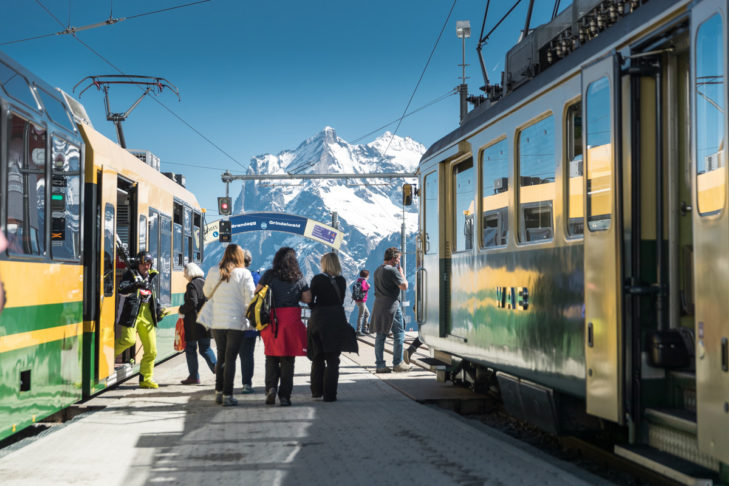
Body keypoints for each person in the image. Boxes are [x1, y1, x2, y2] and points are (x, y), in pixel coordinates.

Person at [257, 247, 311, 406]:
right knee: (288, 359)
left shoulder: (269, 275)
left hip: (272, 320)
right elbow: (307, 298)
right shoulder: (298, 276)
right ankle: (285, 396)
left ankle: (271, 388)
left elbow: (257, 293)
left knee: (271, 356)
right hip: (291, 320)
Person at [204, 244, 255, 406]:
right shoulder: (244, 273)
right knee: (230, 358)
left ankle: (218, 392)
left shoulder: (213, 271)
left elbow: (206, 292)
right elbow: (251, 298)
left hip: (217, 321)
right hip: (235, 322)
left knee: (221, 356)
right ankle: (228, 395)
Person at [308, 253, 358, 402]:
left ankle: (317, 392)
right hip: (336, 319)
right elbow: (340, 300)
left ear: (324, 264)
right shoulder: (341, 281)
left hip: (319, 320)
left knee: (318, 356)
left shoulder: (317, 279)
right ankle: (330, 395)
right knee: (333, 359)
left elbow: (311, 300)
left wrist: (316, 308)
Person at [115, 251, 164, 388]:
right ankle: (105, 357)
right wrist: (136, 285)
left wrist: (158, 309)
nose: (146, 267)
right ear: (138, 264)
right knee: (128, 340)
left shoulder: (152, 276)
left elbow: (154, 295)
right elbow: (121, 290)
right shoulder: (130, 274)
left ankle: (145, 379)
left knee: (152, 350)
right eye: (144, 264)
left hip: (147, 315)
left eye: (148, 264)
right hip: (131, 314)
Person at [370, 247, 410, 373]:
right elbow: (404, 286)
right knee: (399, 334)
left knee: (380, 335)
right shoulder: (392, 270)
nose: (399, 261)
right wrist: (402, 273)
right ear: (393, 259)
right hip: (391, 305)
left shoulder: (377, 270)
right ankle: (398, 363)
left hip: (378, 304)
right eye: (398, 259)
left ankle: (380, 365)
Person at [178, 262, 217, 385]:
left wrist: (181, 309)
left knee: (190, 349)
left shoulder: (192, 285)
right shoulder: (205, 282)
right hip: (206, 322)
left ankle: (194, 376)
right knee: (205, 348)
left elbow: (192, 303)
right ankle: (219, 370)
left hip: (194, 324)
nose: (184, 276)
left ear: (189, 272)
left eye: (185, 273)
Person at [239, 249, 258, 393]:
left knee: (228, 355)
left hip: (231, 322)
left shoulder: (230, 276)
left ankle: (222, 387)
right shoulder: (256, 277)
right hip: (250, 323)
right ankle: (247, 384)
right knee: (247, 355)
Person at [353, 269, 371, 336]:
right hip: (362, 301)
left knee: (367, 314)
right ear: (367, 276)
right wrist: (368, 287)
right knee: (361, 315)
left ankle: (364, 328)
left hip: (357, 300)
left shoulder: (358, 280)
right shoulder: (364, 281)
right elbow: (363, 288)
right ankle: (359, 330)